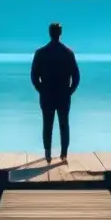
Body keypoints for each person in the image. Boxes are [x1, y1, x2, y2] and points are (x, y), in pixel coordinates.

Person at [30, 22, 80, 163]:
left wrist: (41, 90)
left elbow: (34, 76)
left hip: (47, 95)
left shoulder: (40, 53)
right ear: (60, 33)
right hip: (63, 95)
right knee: (64, 124)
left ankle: (47, 153)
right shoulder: (68, 53)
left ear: (49, 33)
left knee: (47, 124)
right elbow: (76, 77)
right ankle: (64, 154)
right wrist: (70, 91)